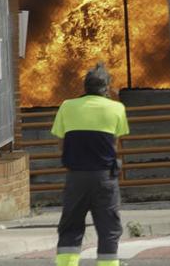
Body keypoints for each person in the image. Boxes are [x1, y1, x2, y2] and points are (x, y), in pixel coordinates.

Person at [51, 63, 129, 266]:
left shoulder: (67, 106)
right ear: (107, 88)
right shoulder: (117, 108)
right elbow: (115, 143)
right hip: (104, 177)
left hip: (75, 177)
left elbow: (60, 142)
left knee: (70, 226)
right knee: (109, 228)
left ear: (84, 87)